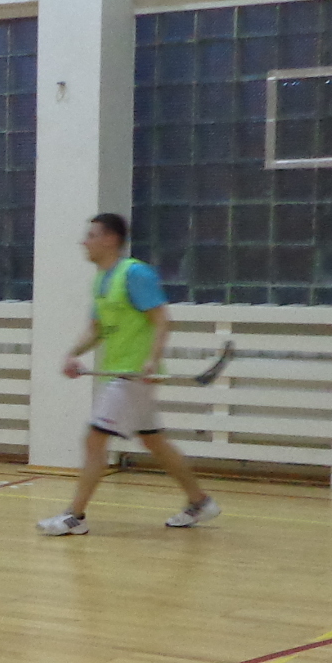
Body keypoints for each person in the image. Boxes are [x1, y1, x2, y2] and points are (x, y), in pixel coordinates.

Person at [35, 212, 220, 535]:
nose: (84, 242)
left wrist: (152, 360)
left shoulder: (135, 274)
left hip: (132, 376)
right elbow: (96, 329)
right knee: (154, 442)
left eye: (91, 235)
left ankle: (74, 516)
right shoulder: (100, 280)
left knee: (94, 440)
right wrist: (73, 354)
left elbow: (162, 320)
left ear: (110, 239)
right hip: (120, 374)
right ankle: (200, 502)